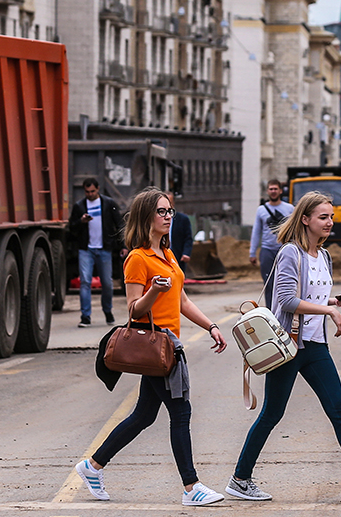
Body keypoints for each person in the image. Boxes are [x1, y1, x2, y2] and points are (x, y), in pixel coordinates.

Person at [225, 191, 341, 504]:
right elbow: (286, 301)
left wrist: (337, 301)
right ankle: (240, 479)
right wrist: (331, 312)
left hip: (316, 346)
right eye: (323, 217)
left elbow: (314, 298)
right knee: (271, 414)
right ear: (305, 219)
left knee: (340, 411)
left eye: (331, 217)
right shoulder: (290, 254)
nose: (330, 223)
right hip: (289, 346)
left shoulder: (325, 256)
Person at [76, 187, 228, 506]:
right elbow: (133, 309)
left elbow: (182, 299)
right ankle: (191, 487)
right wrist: (153, 293)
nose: (168, 216)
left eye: (170, 210)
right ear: (147, 217)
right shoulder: (137, 258)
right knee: (180, 411)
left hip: (170, 345)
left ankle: (92, 466)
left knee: (144, 415)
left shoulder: (167, 254)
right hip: (154, 345)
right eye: (161, 211)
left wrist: (211, 325)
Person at [68, 178, 127, 327]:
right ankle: (85, 316)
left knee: (107, 283)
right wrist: (81, 221)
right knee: (85, 282)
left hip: (104, 248)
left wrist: (124, 245)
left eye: (93, 191)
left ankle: (107, 310)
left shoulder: (108, 204)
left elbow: (119, 224)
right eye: (87, 192)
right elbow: (71, 228)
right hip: (86, 249)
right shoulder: (79, 206)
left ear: (98, 189)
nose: (90, 194)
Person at [249, 179, 294, 308]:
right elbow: (256, 232)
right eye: (271, 189)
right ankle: (270, 311)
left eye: (275, 189)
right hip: (267, 250)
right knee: (269, 283)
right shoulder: (261, 210)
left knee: (285, 282)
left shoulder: (289, 209)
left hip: (284, 249)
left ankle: (285, 308)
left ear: (280, 191)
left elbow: (295, 229)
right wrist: (252, 252)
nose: (273, 191)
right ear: (267, 191)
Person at [167, 193, 193, 276]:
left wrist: (186, 253)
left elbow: (188, 238)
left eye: (169, 202)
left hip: (177, 256)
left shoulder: (182, 219)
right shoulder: (156, 219)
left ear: (173, 203)